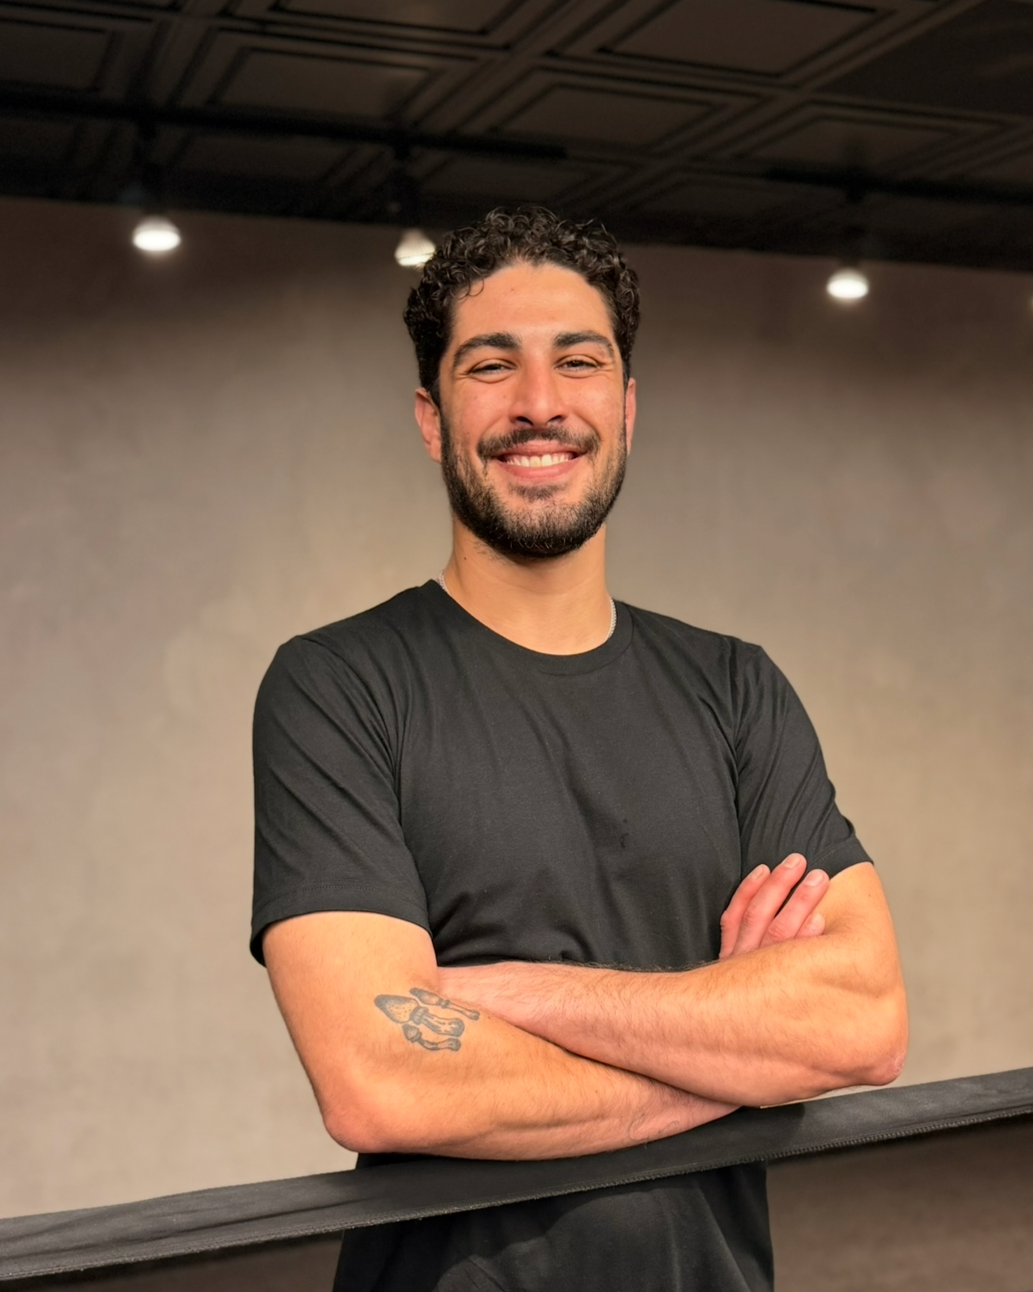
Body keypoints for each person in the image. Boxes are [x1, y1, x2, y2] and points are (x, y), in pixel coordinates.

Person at [251, 207, 908, 1292]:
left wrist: (500, 992)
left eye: (579, 361)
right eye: (491, 364)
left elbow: (860, 1020)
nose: (539, 402)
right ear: (431, 415)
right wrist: (733, 1050)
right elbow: (381, 1078)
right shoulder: (339, 685)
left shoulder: (737, 688)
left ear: (627, 405)